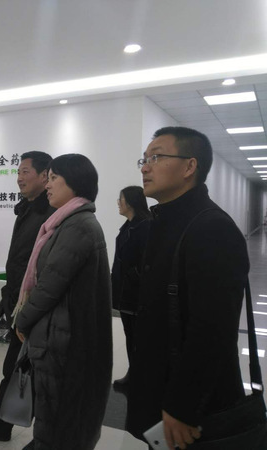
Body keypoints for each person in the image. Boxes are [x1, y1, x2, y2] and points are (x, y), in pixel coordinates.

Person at [126, 127, 250, 450]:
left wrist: (183, 405)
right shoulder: (165, 222)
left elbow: (212, 330)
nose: (145, 167)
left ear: (189, 166)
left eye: (156, 157)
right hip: (162, 387)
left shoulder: (211, 228)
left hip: (194, 407)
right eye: (144, 159)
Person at [15, 154, 113, 450]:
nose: (48, 185)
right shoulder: (65, 222)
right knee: (54, 413)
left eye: (54, 178)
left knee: (59, 414)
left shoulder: (77, 226)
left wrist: (22, 320)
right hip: (58, 335)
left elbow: (49, 286)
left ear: (75, 182)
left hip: (64, 341)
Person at [0, 151, 54, 441]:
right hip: (20, 303)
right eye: (18, 172)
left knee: (26, 370)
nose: (19, 178)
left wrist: (27, 306)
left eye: (26, 172)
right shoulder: (26, 209)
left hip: (34, 308)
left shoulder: (50, 214)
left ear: (45, 176)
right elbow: (20, 261)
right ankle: (2, 423)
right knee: (15, 367)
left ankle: (13, 427)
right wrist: (10, 296)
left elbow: (44, 268)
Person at [111, 185, 151, 389]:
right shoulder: (129, 226)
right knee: (131, 336)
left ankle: (140, 378)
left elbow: (146, 262)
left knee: (139, 338)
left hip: (137, 295)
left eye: (121, 199)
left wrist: (132, 278)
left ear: (131, 202)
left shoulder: (145, 226)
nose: (119, 203)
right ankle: (134, 373)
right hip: (126, 293)